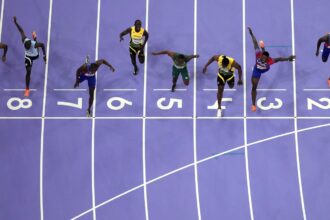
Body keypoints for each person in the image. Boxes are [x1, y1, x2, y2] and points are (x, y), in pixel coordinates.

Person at [248, 27, 296, 112]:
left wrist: (288, 59)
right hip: (256, 71)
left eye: (264, 58)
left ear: (267, 58)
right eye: (262, 57)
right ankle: (253, 104)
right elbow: (255, 43)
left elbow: (279, 59)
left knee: (268, 56)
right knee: (254, 87)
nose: (263, 59)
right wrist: (251, 33)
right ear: (261, 55)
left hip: (265, 69)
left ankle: (263, 47)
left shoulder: (270, 60)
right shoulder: (258, 54)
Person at [13, 16, 46, 97]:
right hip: (28, 57)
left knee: (37, 45)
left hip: (35, 55)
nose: (26, 47)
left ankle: (35, 38)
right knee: (28, 72)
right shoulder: (24, 40)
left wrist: (44, 55)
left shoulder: (34, 45)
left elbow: (42, 45)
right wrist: (15, 22)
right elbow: (21, 30)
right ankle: (27, 89)